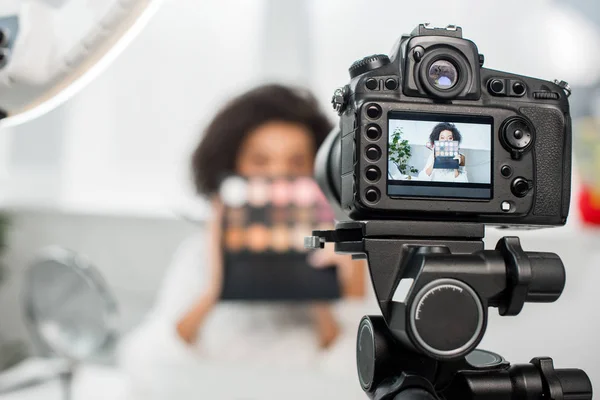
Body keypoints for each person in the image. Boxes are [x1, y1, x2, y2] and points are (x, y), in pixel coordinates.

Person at [118, 84, 369, 399]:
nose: (278, 177)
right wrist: (214, 288)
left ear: (320, 170)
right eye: (260, 161)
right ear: (232, 167)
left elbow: (358, 381)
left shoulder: (343, 253)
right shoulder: (198, 254)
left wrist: (319, 291)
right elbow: (145, 370)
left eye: (296, 162)